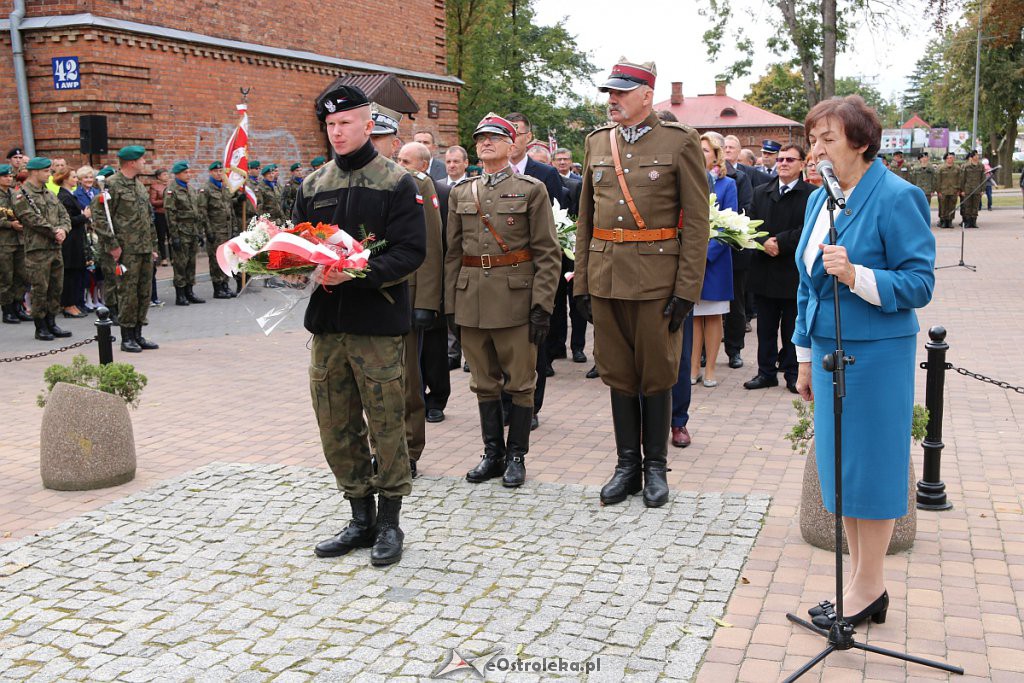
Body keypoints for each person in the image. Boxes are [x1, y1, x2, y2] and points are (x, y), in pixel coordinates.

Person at [794, 95, 935, 630]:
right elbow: (807, 285)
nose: (817, 149)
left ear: (861, 141)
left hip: (876, 358)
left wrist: (857, 276)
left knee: (872, 472)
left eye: (827, 138)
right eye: (813, 138)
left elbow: (920, 283)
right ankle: (859, 584)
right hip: (830, 357)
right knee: (843, 473)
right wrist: (805, 358)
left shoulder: (900, 197)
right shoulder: (819, 201)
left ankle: (868, 586)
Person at [296, 85, 426, 567]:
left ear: (367, 125)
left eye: (346, 123)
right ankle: (359, 516)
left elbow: (412, 253)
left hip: (376, 323)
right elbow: (297, 249)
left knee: (386, 424)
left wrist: (357, 271)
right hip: (328, 325)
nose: (337, 132)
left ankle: (390, 520)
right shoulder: (313, 186)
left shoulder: (397, 182)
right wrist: (281, 263)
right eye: (330, 125)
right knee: (336, 423)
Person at [574, 58, 709, 508]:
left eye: (621, 92)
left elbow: (697, 223)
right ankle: (626, 465)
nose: (612, 99)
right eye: (609, 93)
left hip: (657, 280)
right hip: (607, 277)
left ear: (646, 95)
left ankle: (655, 468)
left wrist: (687, 289)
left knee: (656, 375)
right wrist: (583, 286)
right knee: (617, 374)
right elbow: (585, 220)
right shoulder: (597, 144)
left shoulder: (678, 142)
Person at [447, 112, 560, 489]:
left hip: (515, 301)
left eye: (495, 137)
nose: (485, 143)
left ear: (512, 145)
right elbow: (451, 253)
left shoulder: (530, 189)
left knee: (521, 383)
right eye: (480, 138)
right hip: (472, 300)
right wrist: (450, 304)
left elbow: (547, 252)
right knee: (483, 382)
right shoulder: (462, 192)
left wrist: (543, 305)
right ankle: (492, 453)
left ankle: (516, 457)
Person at [370, 105, 444, 480]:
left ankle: (409, 450)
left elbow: (431, 246)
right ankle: (376, 449)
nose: (373, 145)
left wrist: (428, 302)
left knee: (408, 381)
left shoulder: (416, 183)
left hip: (407, 294)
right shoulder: (352, 180)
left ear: (394, 142)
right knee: (370, 380)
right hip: (365, 295)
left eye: (379, 139)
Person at [743, 143, 814, 393]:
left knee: (792, 327)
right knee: (766, 328)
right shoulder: (762, 191)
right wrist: (763, 242)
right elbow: (750, 223)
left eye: (790, 160)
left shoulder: (811, 194)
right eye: (781, 159)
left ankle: (793, 373)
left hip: (792, 272)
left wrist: (780, 243)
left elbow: (809, 229)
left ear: (802, 164)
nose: (783, 163)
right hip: (764, 269)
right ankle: (766, 373)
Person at [90, 145, 160, 353]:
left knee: (143, 291)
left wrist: (154, 246)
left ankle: (138, 333)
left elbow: (148, 218)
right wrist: (112, 246)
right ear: (131, 162)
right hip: (126, 250)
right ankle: (127, 336)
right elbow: (100, 217)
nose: (143, 163)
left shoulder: (138, 185)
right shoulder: (111, 185)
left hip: (144, 248)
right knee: (128, 293)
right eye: (141, 160)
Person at [690, 133, 734, 388]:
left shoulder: (727, 185)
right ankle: (693, 367)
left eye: (706, 150)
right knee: (694, 315)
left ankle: (711, 369)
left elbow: (730, 224)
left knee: (713, 314)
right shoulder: (691, 181)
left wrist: (706, 254)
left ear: (716, 155)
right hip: (692, 258)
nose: (702, 154)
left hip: (715, 259)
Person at [11, 157, 71, 341]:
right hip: (37, 249)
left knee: (55, 287)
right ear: (34, 172)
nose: (49, 174)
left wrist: (63, 229)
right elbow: (30, 219)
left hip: (54, 248)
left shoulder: (49, 193)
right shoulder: (21, 194)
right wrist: (55, 232)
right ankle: (41, 326)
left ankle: (52, 322)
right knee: (40, 288)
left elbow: (64, 214)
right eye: (46, 171)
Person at [164, 161, 206, 306]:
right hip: (181, 232)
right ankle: (180, 295)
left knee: (191, 263)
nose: (188, 175)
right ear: (177, 174)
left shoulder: (191, 189)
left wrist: (199, 233)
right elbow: (171, 215)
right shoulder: (172, 190)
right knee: (180, 264)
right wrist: (174, 236)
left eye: (189, 172)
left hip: (192, 232)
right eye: (185, 173)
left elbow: (197, 212)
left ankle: (190, 292)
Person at [197, 161, 238, 299]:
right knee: (216, 260)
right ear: (211, 172)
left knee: (227, 258)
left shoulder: (225, 188)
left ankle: (225, 285)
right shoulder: (206, 189)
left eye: (221, 171)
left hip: (227, 230)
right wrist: (208, 231)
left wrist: (234, 228)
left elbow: (230, 209)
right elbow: (203, 211)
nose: (219, 173)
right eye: (216, 171)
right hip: (215, 231)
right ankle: (217, 287)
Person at [54, 168, 90, 318]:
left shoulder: (70, 195)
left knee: (76, 272)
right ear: (65, 178)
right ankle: (68, 304)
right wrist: (85, 216)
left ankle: (74, 302)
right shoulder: (64, 197)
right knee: (70, 273)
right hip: (70, 240)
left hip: (76, 238)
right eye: (74, 177)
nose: (77, 179)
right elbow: (67, 220)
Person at [0, 163, 30, 325]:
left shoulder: (14, 193)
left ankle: (19, 306)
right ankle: (8, 310)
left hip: (19, 240)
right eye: (5, 176)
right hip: (4, 242)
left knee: (22, 275)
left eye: (10, 176)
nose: (9, 178)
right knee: (6, 277)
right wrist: (9, 224)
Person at [959, 150, 984, 228]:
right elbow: (962, 179)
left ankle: (974, 222)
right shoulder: (966, 166)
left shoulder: (981, 166)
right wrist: (962, 190)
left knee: (975, 207)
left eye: (978, 155)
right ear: (972, 157)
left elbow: (983, 178)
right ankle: (968, 222)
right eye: (975, 155)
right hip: (968, 189)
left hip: (977, 189)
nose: (977, 157)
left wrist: (982, 190)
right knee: (967, 206)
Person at [935, 152, 959, 229]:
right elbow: (938, 180)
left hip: (953, 190)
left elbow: (960, 179)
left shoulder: (957, 168)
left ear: (954, 159)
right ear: (945, 159)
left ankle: (950, 221)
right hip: (943, 191)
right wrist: (938, 190)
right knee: (943, 207)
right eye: (948, 158)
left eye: (951, 158)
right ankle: (943, 221)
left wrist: (958, 189)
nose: (950, 159)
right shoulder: (941, 168)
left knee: (952, 206)